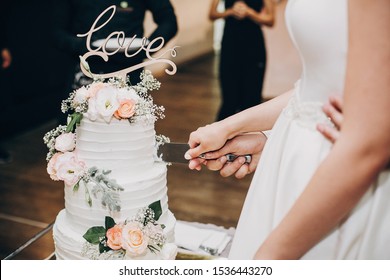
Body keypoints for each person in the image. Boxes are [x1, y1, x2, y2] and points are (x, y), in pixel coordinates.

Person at [185, 0, 390, 259]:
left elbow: (368, 144)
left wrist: (270, 260)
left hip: (343, 175)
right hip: (295, 158)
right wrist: (247, 133)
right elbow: (316, 87)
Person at [50, 0, 178, 96]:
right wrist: (82, 46)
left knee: (131, 128)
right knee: (78, 127)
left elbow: (169, 21)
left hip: (129, 71)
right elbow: (56, 32)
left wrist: (146, 49)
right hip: (85, 71)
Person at [209, 0, 276, 121]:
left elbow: (271, 20)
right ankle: (220, 137)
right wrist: (230, 11)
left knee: (251, 100)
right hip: (230, 45)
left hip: (253, 47)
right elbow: (212, 14)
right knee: (229, 99)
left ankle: (250, 136)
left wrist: (250, 13)